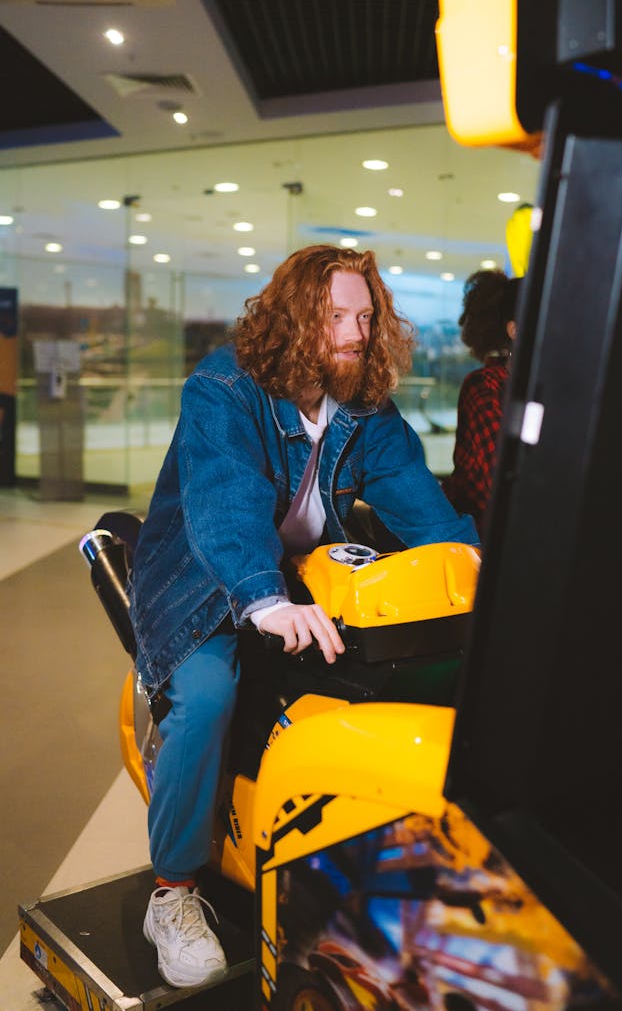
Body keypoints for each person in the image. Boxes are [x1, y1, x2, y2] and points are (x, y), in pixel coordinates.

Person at [129, 244, 480, 988]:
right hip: (202, 576)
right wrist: (263, 599)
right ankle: (174, 893)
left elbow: (424, 508)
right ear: (293, 319)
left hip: (296, 572)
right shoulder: (223, 387)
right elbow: (226, 503)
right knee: (208, 698)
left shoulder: (365, 408)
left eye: (364, 316)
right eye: (335, 317)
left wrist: (488, 577)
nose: (354, 332)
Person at [442, 270, 523, 535]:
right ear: (514, 330)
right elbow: (499, 482)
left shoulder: (546, 390)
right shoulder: (486, 386)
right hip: (476, 542)